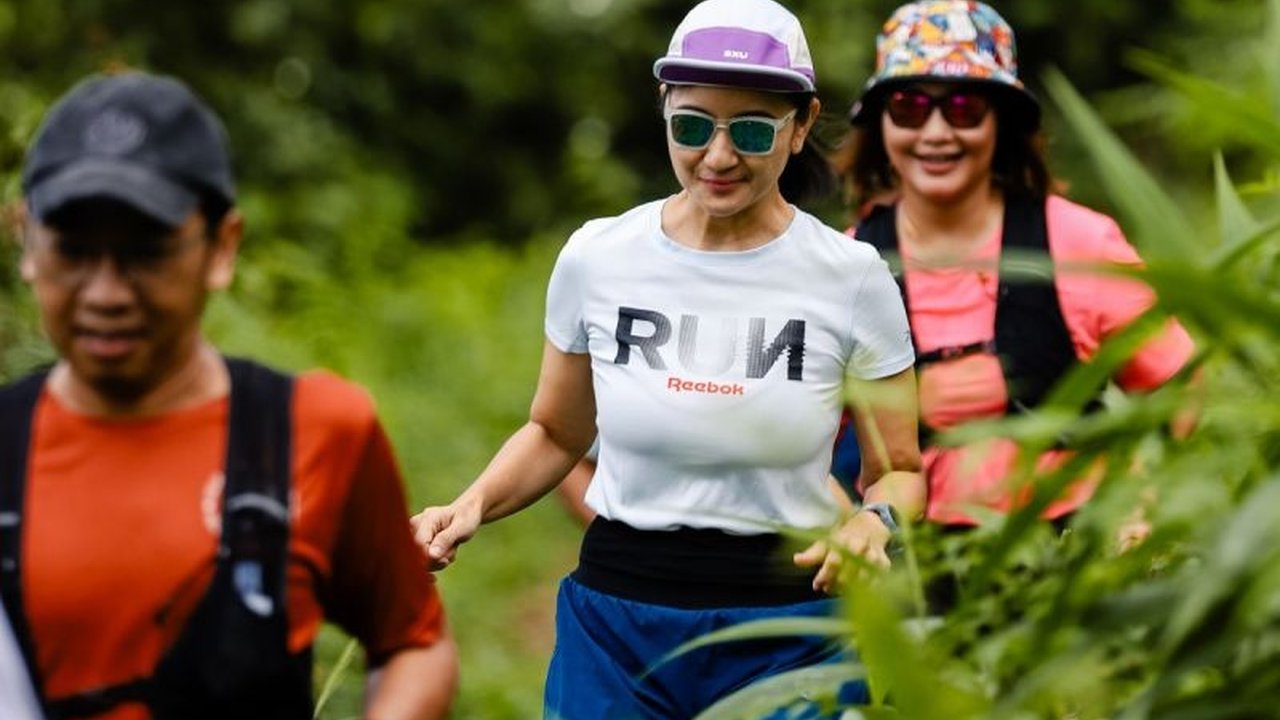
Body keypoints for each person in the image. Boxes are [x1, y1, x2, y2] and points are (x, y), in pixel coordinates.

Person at [413, 0, 924, 717]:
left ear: (801, 125)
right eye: (692, 126)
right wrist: (469, 505)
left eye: (750, 129)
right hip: (618, 626)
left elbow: (897, 469)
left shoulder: (850, 276)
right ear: (663, 108)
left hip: (785, 628)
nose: (717, 157)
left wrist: (876, 525)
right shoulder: (599, 255)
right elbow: (557, 433)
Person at [2, 71, 457, 719]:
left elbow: (414, 641)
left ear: (222, 247)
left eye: (147, 253)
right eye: (72, 253)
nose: (105, 293)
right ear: (26, 244)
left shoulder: (315, 431)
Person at [834, 2, 1195, 556]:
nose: (935, 132)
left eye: (963, 107)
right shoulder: (847, 261)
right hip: (909, 568)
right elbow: (799, 440)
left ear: (1001, 122)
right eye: (907, 108)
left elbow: (1181, 386)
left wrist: (1149, 501)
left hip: (1067, 560)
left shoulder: (1077, 242)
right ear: (880, 125)